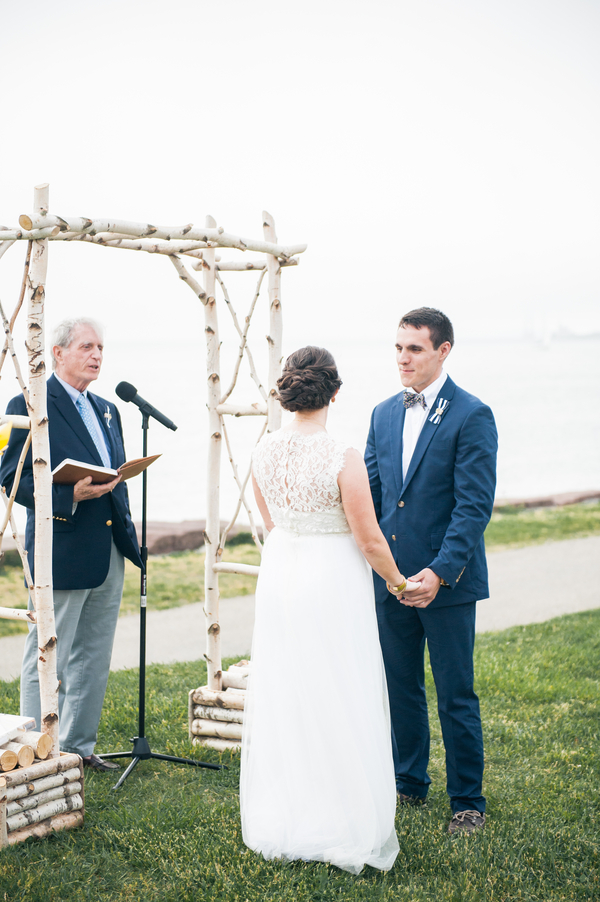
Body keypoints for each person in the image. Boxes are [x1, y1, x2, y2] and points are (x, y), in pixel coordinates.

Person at [240, 346, 417, 875]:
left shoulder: (263, 449)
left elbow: (272, 520)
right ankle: (339, 818)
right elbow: (368, 537)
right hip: (332, 579)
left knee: (291, 689)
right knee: (340, 685)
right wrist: (399, 582)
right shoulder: (342, 453)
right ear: (334, 393)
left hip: (283, 574)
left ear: (289, 392)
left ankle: (290, 812)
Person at [365, 307, 498, 834]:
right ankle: (407, 782)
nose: (403, 358)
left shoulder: (472, 414)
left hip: (448, 583)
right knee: (401, 688)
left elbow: (473, 508)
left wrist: (439, 573)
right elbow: (375, 498)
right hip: (391, 580)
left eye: (414, 348)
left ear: (443, 351)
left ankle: (468, 801)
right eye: (398, 347)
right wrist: (384, 570)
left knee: (455, 693)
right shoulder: (381, 414)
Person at [1, 318, 142, 771]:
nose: (97, 355)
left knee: (94, 655)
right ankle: (32, 749)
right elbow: (9, 477)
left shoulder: (107, 409)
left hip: (110, 549)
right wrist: (68, 495)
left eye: (101, 347)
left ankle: (79, 747)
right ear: (58, 353)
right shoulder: (28, 403)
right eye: (86, 346)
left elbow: (111, 474)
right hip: (60, 546)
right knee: (46, 652)